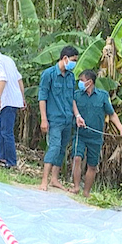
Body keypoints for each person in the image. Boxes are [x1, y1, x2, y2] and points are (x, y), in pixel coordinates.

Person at [70, 69, 122, 197]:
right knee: (77, 158)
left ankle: (86, 192)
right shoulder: (76, 95)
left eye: (81, 80)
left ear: (89, 82)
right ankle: (75, 187)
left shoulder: (102, 96)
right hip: (80, 134)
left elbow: (112, 115)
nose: (79, 83)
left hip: (96, 137)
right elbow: (71, 105)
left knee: (92, 165)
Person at [38, 46, 80, 191]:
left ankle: (54, 179)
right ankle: (44, 180)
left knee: (62, 149)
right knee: (54, 147)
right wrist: (44, 119)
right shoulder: (48, 74)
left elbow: (72, 98)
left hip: (68, 119)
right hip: (54, 119)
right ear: (64, 58)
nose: (74, 64)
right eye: (73, 60)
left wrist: (77, 115)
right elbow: (42, 97)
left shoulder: (71, 77)